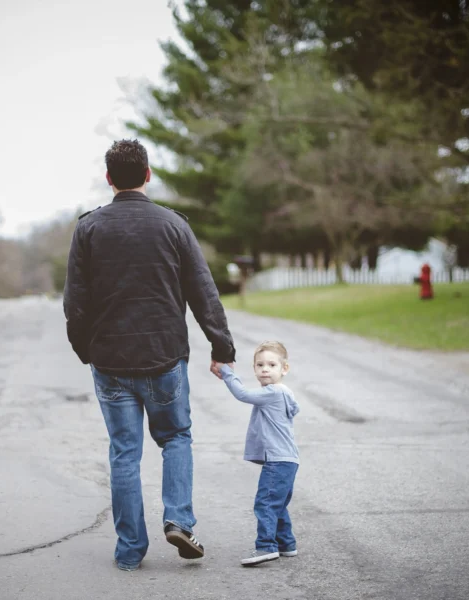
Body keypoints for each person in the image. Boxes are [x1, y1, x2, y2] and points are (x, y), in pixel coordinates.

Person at [63, 139, 237, 571]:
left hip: (111, 362)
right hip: (165, 358)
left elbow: (75, 303)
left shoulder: (89, 229)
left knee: (125, 452)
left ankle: (129, 550)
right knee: (175, 437)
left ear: (109, 179)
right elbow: (203, 291)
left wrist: (87, 350)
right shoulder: (173, 225)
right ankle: (178, 519)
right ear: (148, 174)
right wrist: (222, 347)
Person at [215, 341, 300, 567]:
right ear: (254, 369)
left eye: (272, 364)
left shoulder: (272, 392)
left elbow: (242, 394)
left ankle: (266, 546)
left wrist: (226, 371)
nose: (265, 369)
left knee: (265, 503)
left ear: (284, 369)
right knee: (277, 504)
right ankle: (286, 544)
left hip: (278, 460)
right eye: (259, 365)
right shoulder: (283, 393)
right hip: (288, 460)